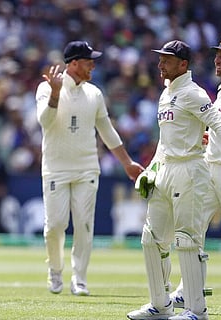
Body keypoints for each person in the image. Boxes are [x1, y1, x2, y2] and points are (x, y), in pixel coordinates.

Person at [127, 40, 221, 320]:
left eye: (167, 60)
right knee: (151, 238)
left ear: (183, 64)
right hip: (166, 170)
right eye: (160, 59)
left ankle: (196, 310)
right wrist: (151, 169)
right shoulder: (166, 93)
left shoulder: (194, 94)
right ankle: (160, 305)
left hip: (191, 171)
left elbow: (219, 125)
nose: (160, 65)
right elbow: (165, 141)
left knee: (187, 239)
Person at [35, 41, 144, 297]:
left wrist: (127, 162)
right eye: (88, 61)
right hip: (55, 169)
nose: (93, 65)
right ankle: (55, 271)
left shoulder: (94, 93)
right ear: (73, 63)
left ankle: (80, 278)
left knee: (84, 224)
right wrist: (54, 94)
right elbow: (45, 122)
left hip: (86, 168)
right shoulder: (46, 87)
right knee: (55, 226)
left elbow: (107, 131)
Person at [169, 38, 221, 309]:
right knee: (192, 229)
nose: (217, 61)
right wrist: (209, 137)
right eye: (217, 56)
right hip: (211, 170)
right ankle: (187, 290)